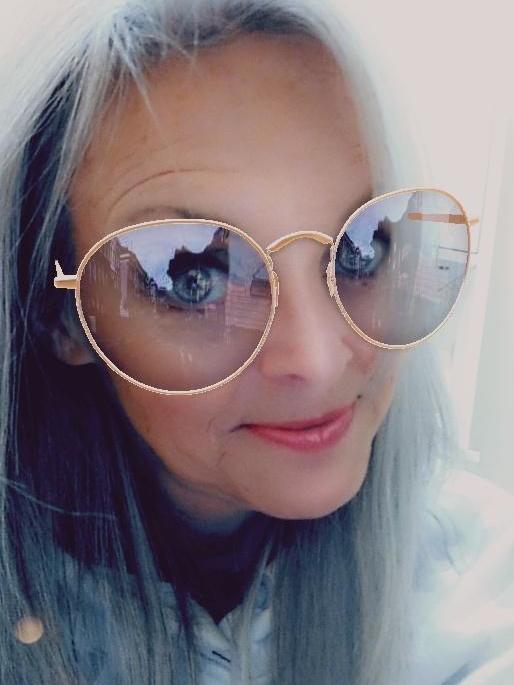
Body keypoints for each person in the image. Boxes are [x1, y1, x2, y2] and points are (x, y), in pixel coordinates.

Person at [1, 1, 513, 683]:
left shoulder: (474, 588)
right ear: (57, 315)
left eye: (362, 250)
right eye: (191, 278)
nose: (319, 359)